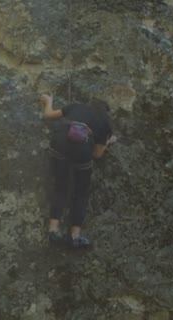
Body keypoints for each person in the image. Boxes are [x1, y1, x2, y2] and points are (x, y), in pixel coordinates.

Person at [39, 94, 116, 249]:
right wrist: (108, 141)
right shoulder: (105, 123)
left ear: (89, 104)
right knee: (81, 192)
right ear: (105, 111)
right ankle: (75, 236)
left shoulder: (76, 106)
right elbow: (97, 155)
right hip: (82, 150)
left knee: (60, 186)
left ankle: (53, 229)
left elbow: (48, 115)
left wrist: (48, 102)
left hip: (60, 143)